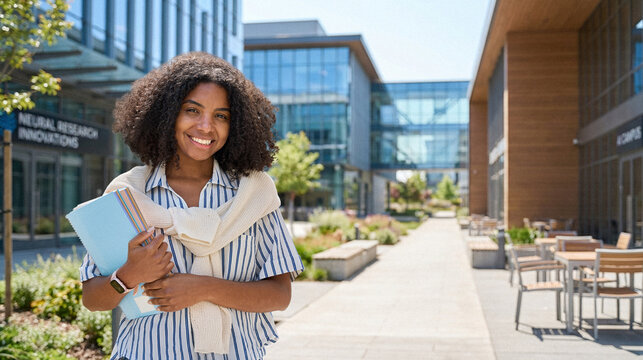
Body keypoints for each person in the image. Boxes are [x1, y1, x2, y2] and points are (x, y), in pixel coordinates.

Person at [79, 52, 304, 360]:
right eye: (192, 110)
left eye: (221, 116)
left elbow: (280, 294)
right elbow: (92, 299)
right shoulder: (128, 194)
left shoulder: (253, 196)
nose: (206, 126)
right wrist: (128, 275)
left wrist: (203, 288)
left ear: (235, 125)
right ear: (167, 115)